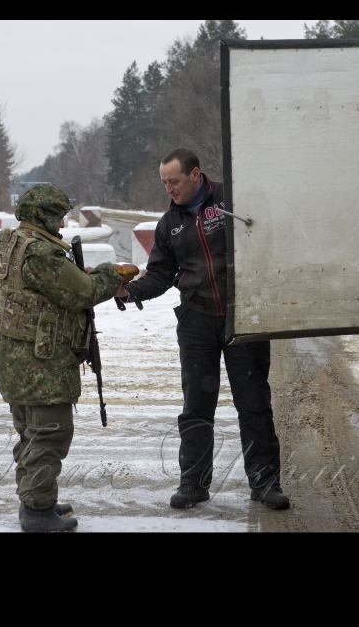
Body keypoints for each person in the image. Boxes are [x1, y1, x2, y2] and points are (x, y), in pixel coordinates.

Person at [117, 148, 289, 510]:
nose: (170, 189)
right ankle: (193, 482)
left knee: (254, 402)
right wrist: (129, 291)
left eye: (174, 181)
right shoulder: (169, 224)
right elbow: (162, 274)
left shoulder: (231, 198)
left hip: (242, 318)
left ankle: (265, 483)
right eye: (165, 183)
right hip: (196, 321)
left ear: (196, 175)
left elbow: (266, 235)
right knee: (196, 406)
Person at [0, 185, 125, 532]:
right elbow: (84, 293)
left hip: (13, 361)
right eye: (58, 216)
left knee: (31, 433)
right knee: (50, 435)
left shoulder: (9, 242)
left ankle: (35, 498)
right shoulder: (41, 254)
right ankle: (37, 511)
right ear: (44, 216)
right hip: (41, 363)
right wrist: (111, 273)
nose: (62, 223)